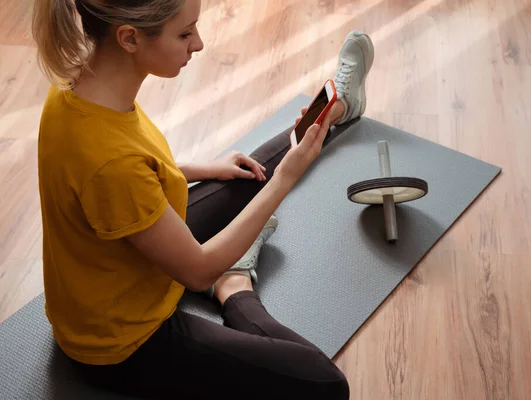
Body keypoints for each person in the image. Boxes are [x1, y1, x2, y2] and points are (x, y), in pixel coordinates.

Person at [32, 0, 373, 398]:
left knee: (248, 172)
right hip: (122, 341)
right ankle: (235, 289)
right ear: (129, 37)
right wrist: (285, 181)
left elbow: (134, 170)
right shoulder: (111, 163)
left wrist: (203, 169)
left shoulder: (81, 88)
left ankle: (337, 112)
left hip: (126, 254)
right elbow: (196, 272)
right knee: (325, 384)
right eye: (184, 33)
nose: (199, 44)